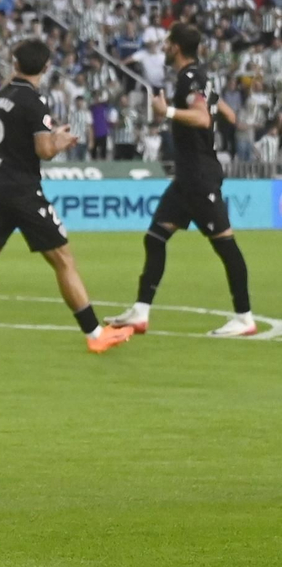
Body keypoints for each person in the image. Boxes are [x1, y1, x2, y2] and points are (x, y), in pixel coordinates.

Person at [0, 39, 134, 355]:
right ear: (47, 67)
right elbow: (44, 150)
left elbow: (12, 140)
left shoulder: (0, 97)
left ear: (15, 63)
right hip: (22, 191)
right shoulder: (34, 101)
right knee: (63, 260)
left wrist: (48, 138)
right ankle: (96, 333)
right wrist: (59, 141)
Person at [107, 24, 256, 338]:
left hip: (199, 177)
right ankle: (140, 312)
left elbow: (202, 117)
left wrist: (169, 111)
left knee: (225, 245)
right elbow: (227, 115)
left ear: (176, 47)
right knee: (155, 238)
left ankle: (244, 317)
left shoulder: (190, 77)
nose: (164, 47)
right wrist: (216, 113)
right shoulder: (200, 78)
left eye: (167, 42)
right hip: (188, 177)